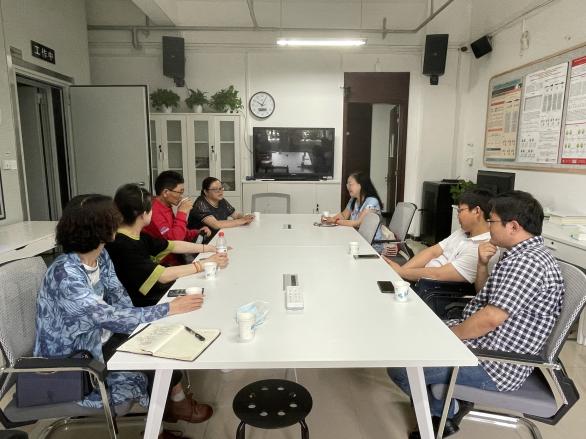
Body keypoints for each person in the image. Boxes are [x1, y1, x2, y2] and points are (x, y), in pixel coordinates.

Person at [33, 195, 215, 439]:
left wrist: (142, 328)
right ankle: (164, 421)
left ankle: (170, 411)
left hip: (101, 338)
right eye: (113, 220)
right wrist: (168, 309)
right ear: (101, 228)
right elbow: (107, 316)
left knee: (160, 342)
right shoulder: (65, 274)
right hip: (76, 359)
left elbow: (119, 299)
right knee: (154, 359)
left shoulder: (100, 256)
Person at [387, 191, 564, 439]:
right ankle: (444, 406)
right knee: (410, 337)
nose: (489, 227)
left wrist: (449, 337)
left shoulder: (527, 263)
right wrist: (482, 264)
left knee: (400, 368)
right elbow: (485, 296)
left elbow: (490, 318)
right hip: (483, 341)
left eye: (493, 221)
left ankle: (444, 415)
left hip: (494, 362)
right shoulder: (518, 254)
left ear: (513, 226)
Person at [106, 184, 228, 307]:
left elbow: (173, 245)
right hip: (146, 303)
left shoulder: (137, 235)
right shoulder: (122, 244)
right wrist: (204, 264)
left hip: (155, 293)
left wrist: (209, 248)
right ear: (143, 214)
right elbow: (162, 276)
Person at [384, 189, 498, 291]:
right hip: (420, 280)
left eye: (460, 211)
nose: (458, 215)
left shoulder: (482, 247)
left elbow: (438, 275)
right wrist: (399, 274)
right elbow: (432, 252)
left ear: (477, 211)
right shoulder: (463, 232)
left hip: (434, 291)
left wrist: (402, 272)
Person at [143, 170, 212, 266]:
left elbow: (177, 231)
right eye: (180, 192)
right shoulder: (154, 211)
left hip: (177, 257)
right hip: (164, 263)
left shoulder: (166, 205)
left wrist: (197, 232)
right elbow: (174, 241)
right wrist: (182, 212)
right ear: (166, 192)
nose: (181, 196)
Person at [321, 171, 384, 249]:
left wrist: (335, 221)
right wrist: (330, 219)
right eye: (347, 184)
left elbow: (357, 223)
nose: (348, 187)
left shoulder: (372, 201)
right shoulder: (353, 199)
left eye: (350, 184)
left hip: (372, 245)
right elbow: (343, 215)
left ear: (361, 185)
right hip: (357, 238)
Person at [188, 177, 254, 231]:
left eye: (221, 188)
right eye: (215, 189)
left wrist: (246, 217)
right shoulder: (200, 204)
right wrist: (242, 220)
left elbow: (235, 215)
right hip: (201, 239)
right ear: (206, 192)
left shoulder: (221, 200)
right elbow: (216, 225)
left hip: (218, 235)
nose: (220, 191)